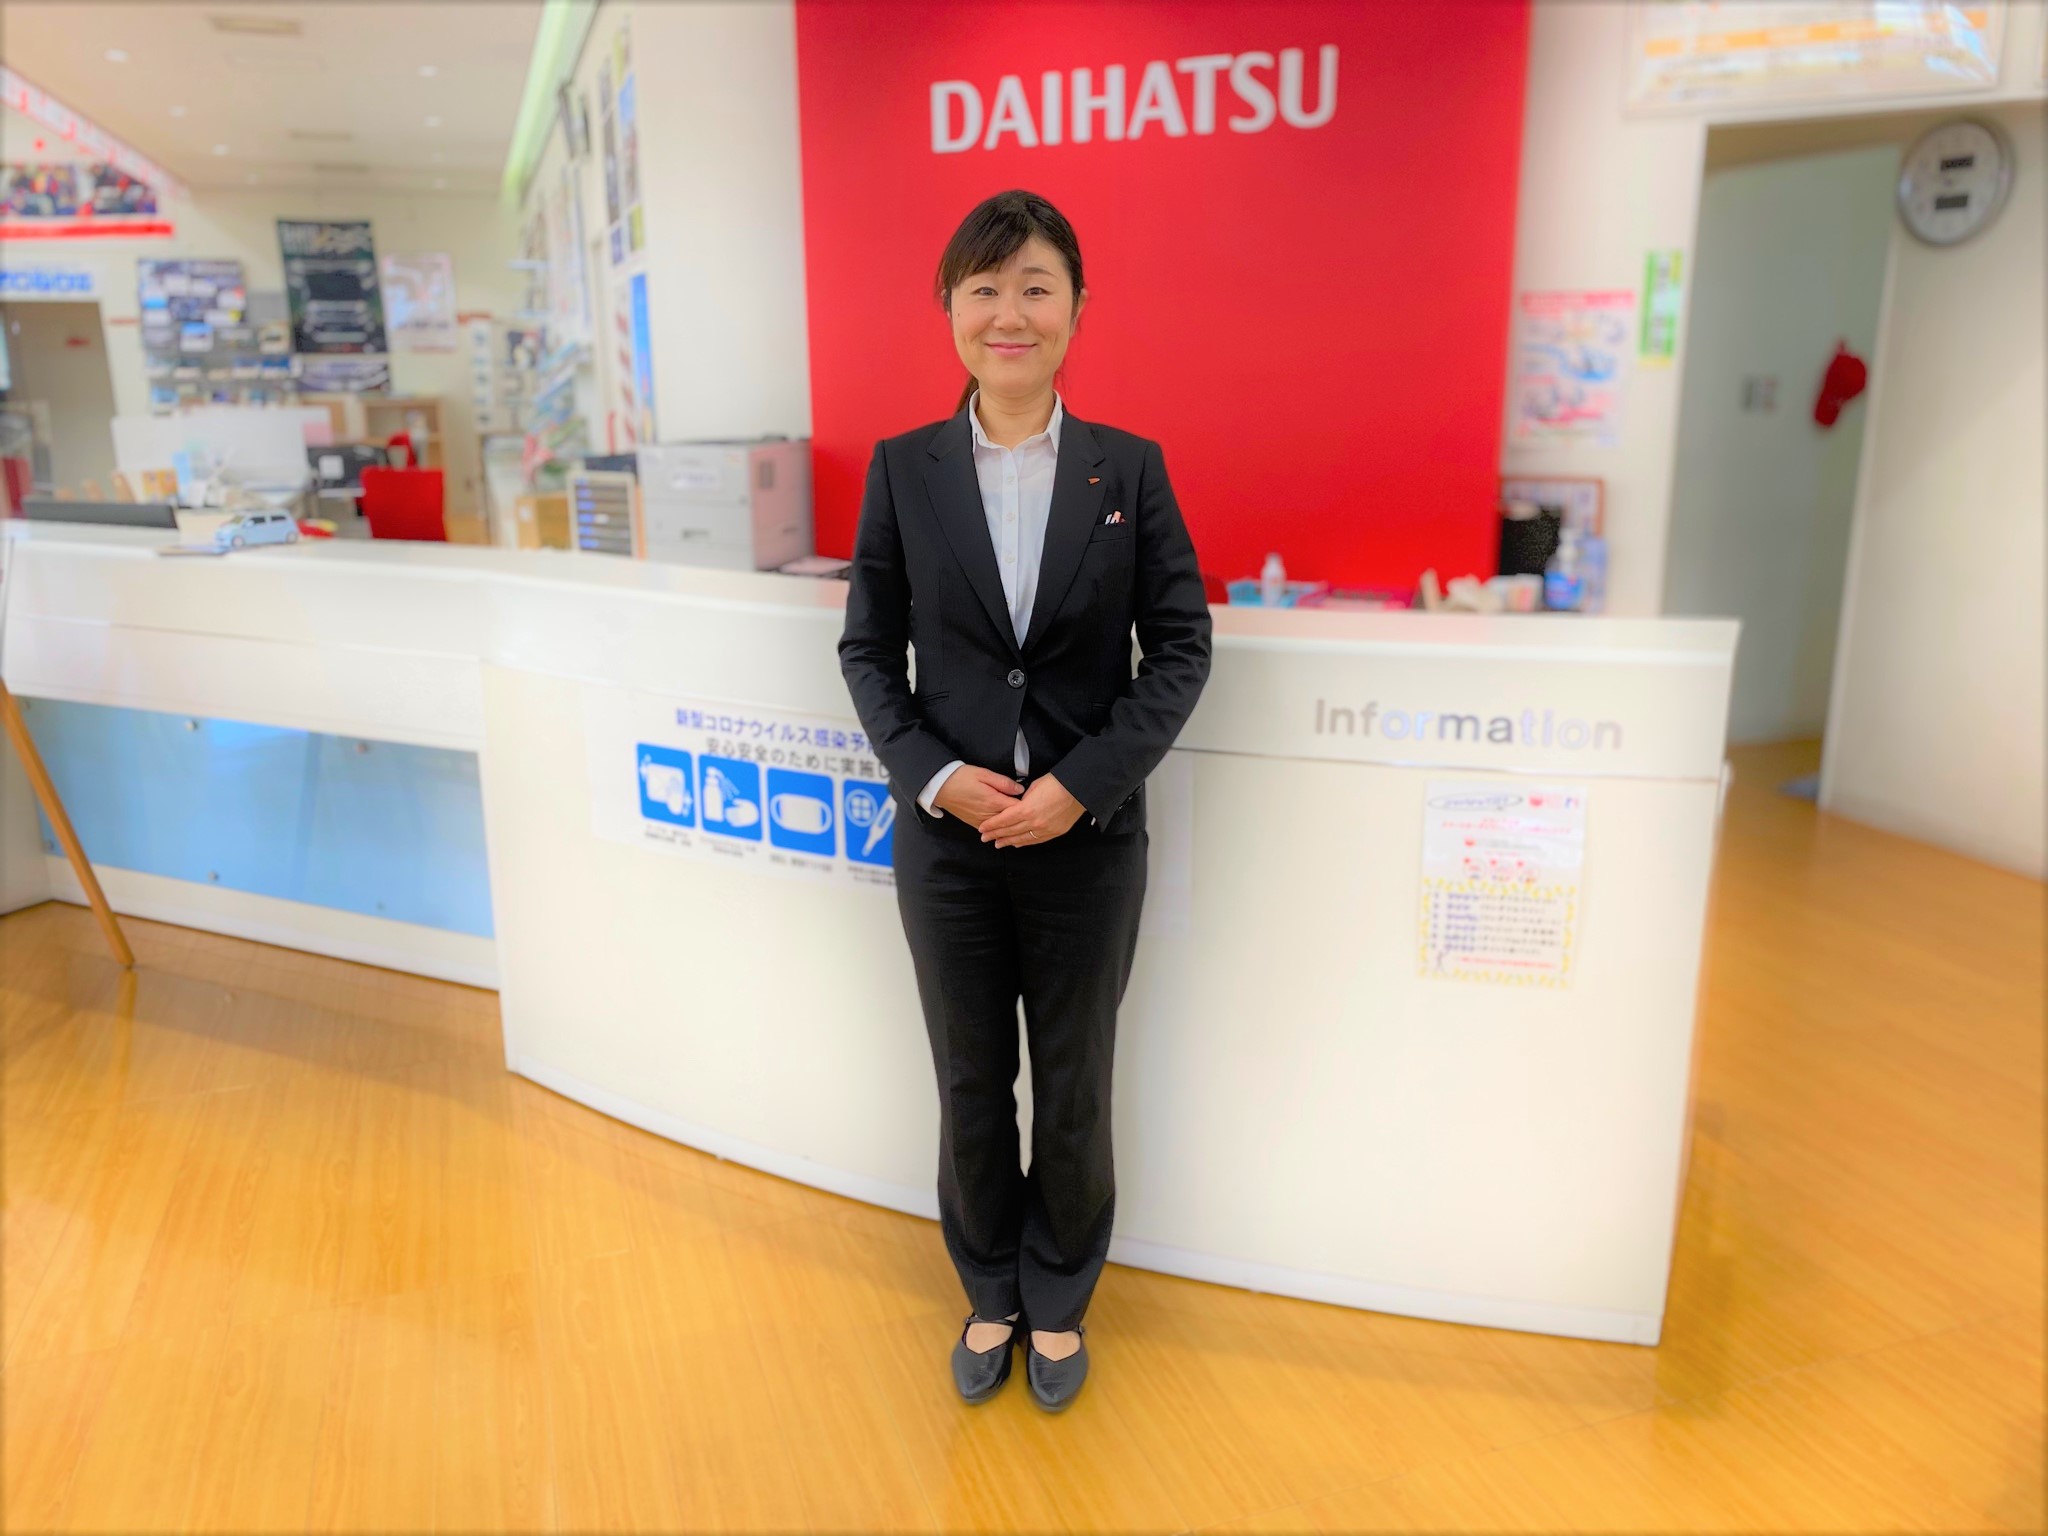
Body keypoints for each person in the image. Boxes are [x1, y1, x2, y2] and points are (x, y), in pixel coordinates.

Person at [838, 190, 1212, 1410]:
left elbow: (1180, 649)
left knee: (1073, 1081)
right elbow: (865, 651)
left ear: (1076, 308)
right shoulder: (902, 469)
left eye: (1035, 287)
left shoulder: (1127, 469)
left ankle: (1057, 1296)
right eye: (985, 287)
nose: (1010, 312)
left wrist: (1080, 785)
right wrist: (936, 775)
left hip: (1084, 842)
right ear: (949, 307)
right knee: (966, 1080)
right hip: (946, 842)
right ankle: (986, 1287)